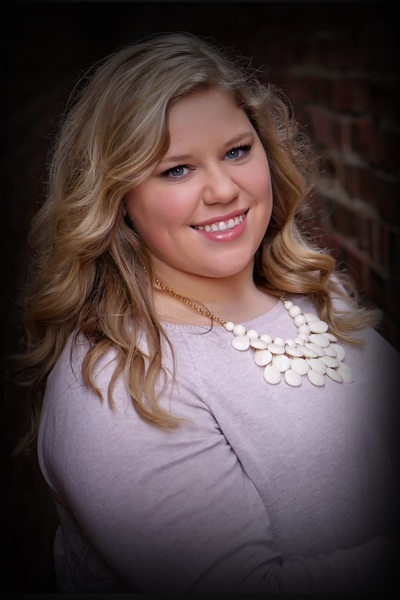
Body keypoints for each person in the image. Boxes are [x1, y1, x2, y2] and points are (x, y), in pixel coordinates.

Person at [10, 32, 399, 593]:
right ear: (118, 199)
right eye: (176, 170)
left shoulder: (313, 287)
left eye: (237, 151)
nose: (223, 190)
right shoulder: (119, 382)